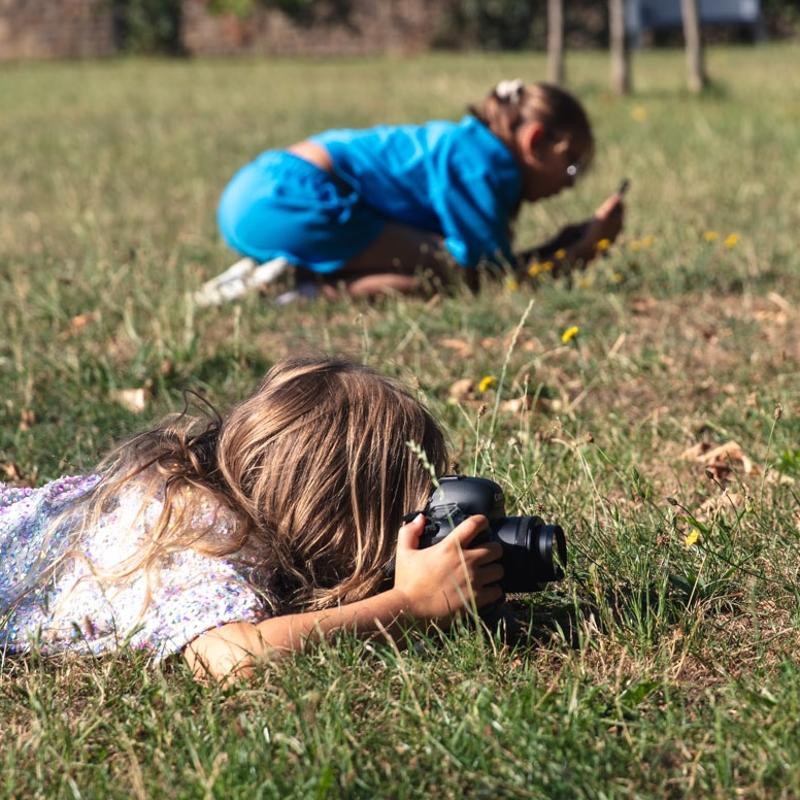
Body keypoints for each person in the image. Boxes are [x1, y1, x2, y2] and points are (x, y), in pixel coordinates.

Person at [0, 358, 504, 681]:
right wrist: (410, 602)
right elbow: (235, 659)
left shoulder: (203, 482)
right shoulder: (209, 533)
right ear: (334, 513)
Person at [212, 79, 624, 300]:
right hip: (294, 199)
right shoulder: (481, 164)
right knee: (441, 271)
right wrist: (576, 254)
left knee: (425, 263)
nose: (570, 183)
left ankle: (283, 272)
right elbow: (485, 275)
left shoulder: (467, 146)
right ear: (535, 142)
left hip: (256, 191)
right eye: (571, 164)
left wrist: (559, 246)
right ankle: (304, 292)